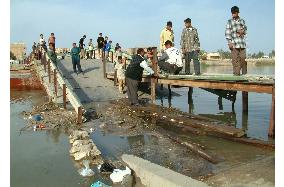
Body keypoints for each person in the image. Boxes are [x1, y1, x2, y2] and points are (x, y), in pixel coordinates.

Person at [225, 6, 247, 76]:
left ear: (237, 13)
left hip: (242, 43)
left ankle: (243, 74)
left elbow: (245, 29)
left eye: (234, 13)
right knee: (235, 60)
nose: (233, 14)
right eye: (232, 13)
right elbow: (227, 32)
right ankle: (236, 74)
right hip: (234, 44)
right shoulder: (229, 21)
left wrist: (242, 31)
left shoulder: (242, 21)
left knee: (243, 58)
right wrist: (229, 42)